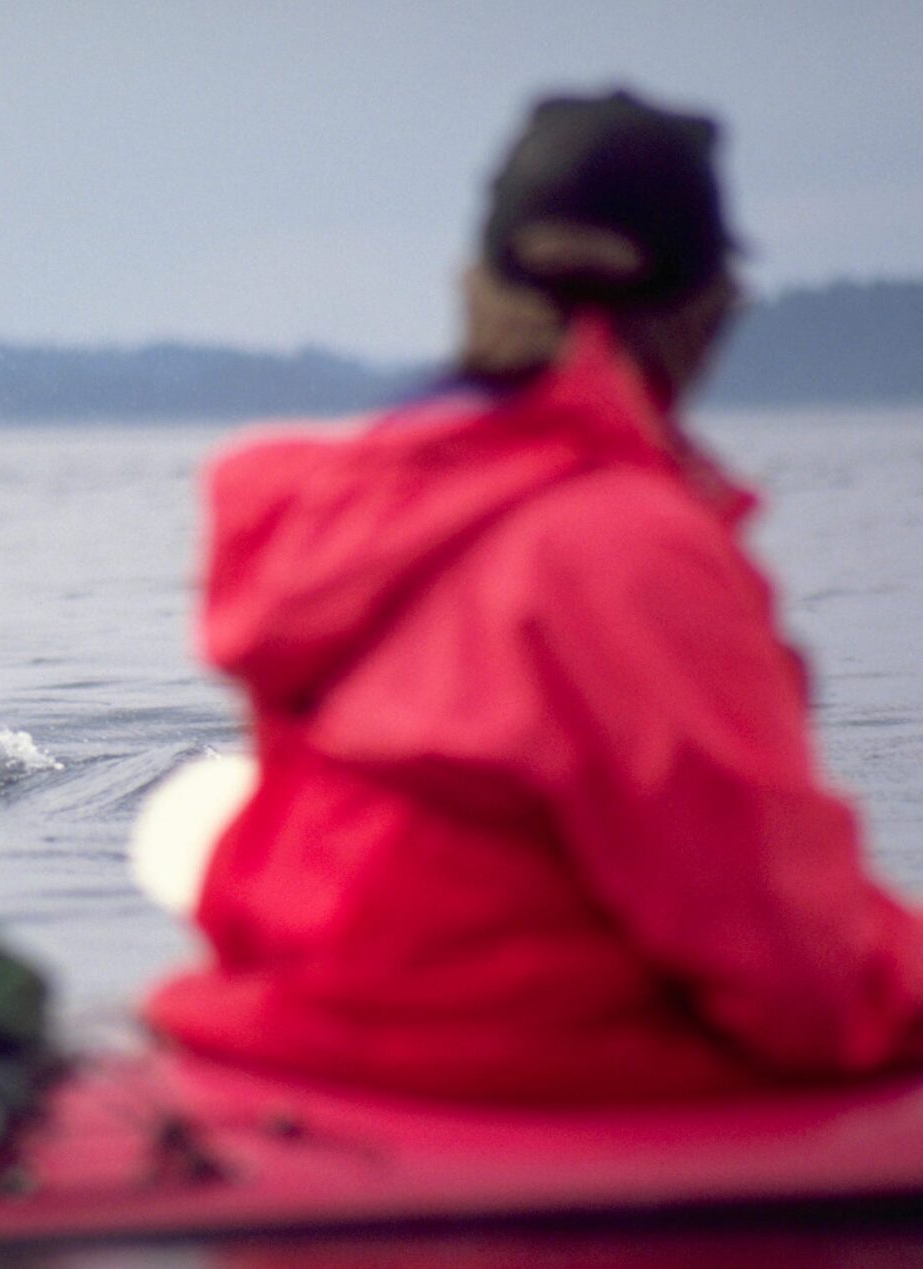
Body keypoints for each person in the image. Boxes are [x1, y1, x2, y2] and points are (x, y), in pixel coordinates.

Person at [141, 88, 923, 1102]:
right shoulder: (622, 546)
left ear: (474, 284)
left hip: (291, 1034)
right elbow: (790, 968)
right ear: (707, 308)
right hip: (508, 1072)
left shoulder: (339, 511)